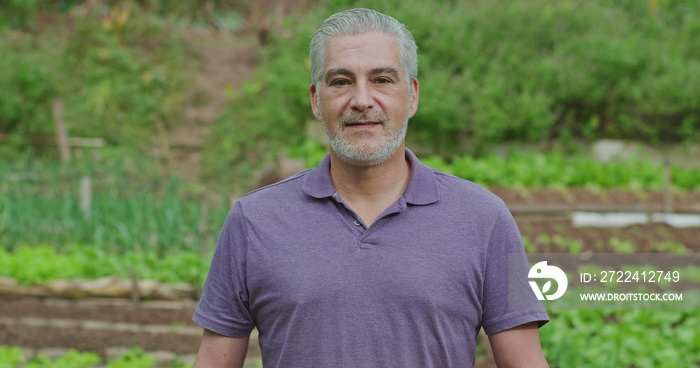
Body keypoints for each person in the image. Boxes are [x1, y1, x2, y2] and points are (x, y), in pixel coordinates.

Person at [192, 8, 549, 368]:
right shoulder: (252, 221)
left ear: (412, 95)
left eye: (381, 79)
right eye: (341, 81)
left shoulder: (488, 219)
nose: (362, 100)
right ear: (317, 100)